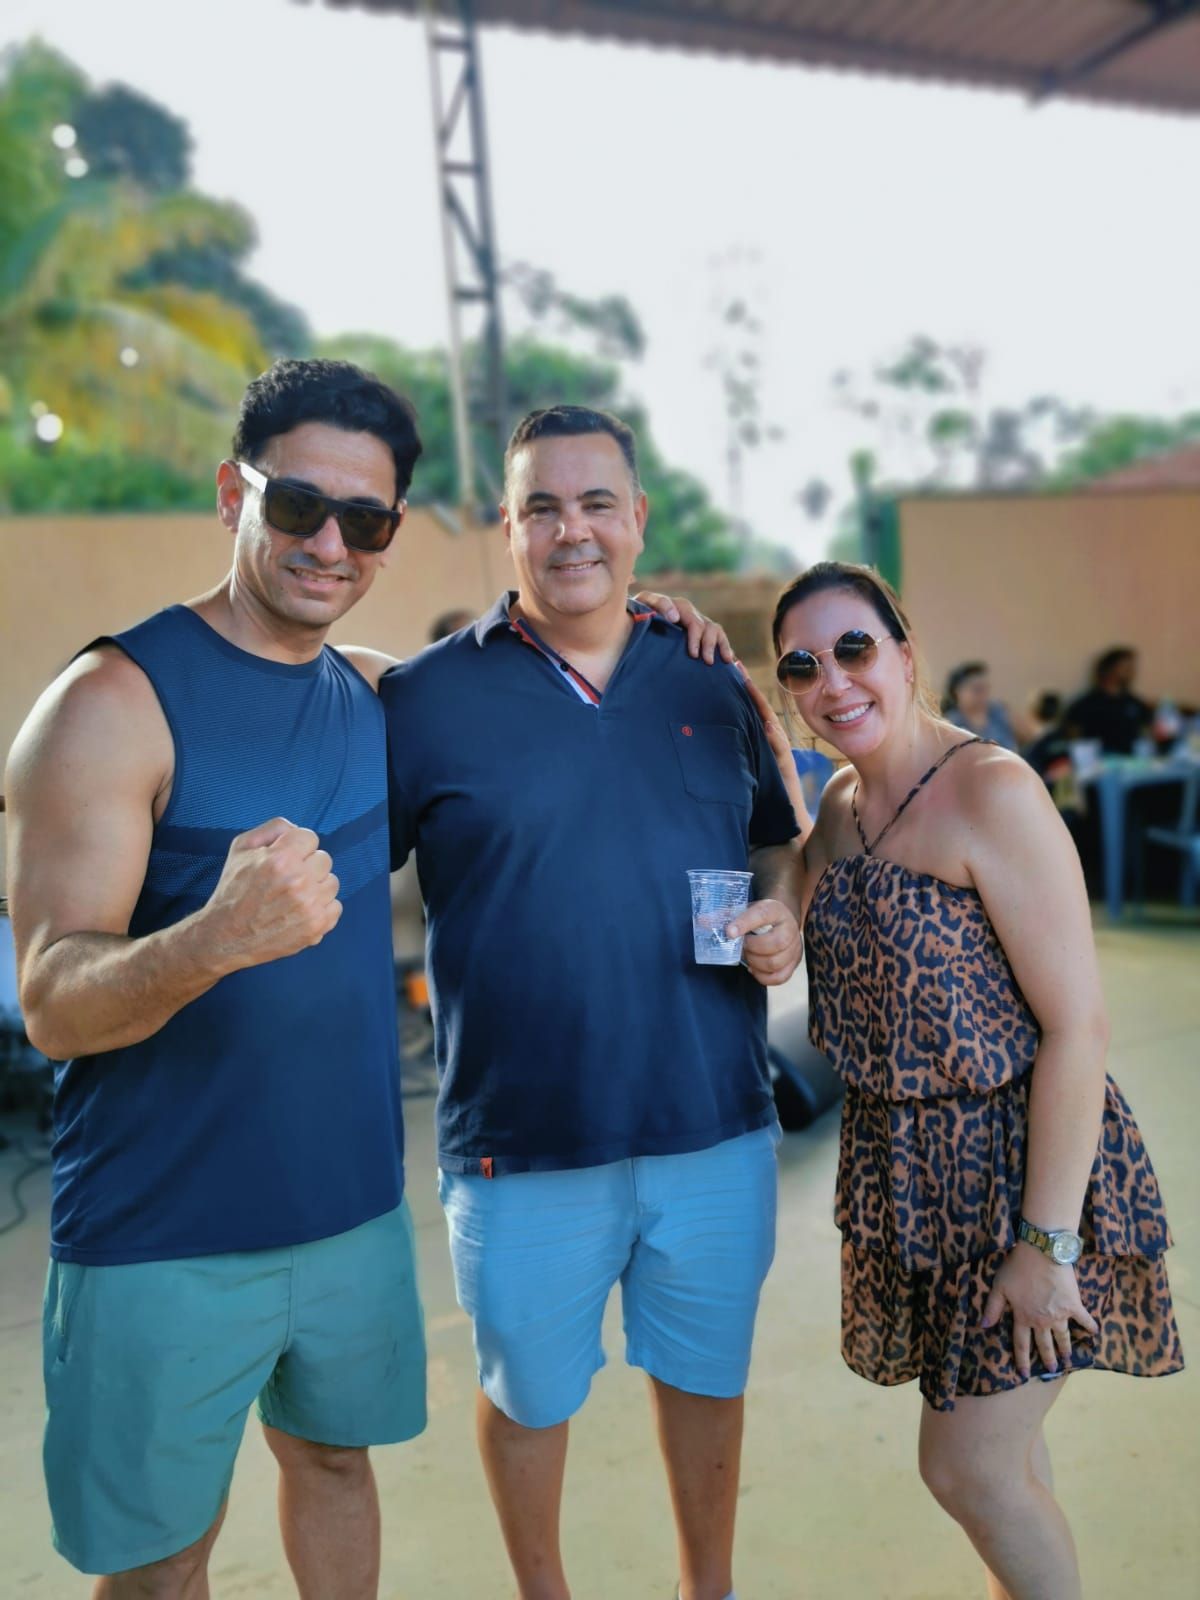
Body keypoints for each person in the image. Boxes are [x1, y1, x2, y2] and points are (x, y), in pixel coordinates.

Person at [4, 359, 730, 1597]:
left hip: (348, 1208)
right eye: (297, 505)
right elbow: (53, 1001)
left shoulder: (381, 695)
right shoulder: (111, 702)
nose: (329, 544)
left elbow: (544, 681)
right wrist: (210, 937)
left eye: (366, 520)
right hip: (158, 1232)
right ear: (232, 491)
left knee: (338, 1468)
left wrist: (644, 618)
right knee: (165, 1560)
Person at [379, 404, 805, 1600]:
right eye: (544, 507)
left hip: (712, 1122)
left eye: (598, 503)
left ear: (639, 519)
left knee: (707, 1378)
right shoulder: (425, 700)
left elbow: (777, 844)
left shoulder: (712, 679)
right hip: (521, 1142)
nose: (574, 529)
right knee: (527, 1395)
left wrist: (781, 912)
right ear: (508, 526)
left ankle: (707, 1587)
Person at [753, 561, 1182, 1600]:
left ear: (905, 655)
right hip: (914, 1189)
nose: (832, 680)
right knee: (1010, 1466)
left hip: (1019, 1174)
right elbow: (805, 880)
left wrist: (1046, 1245)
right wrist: (777, 913)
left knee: (970, 1470)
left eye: (854, 648)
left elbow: (1077, 1027)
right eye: (802, 666)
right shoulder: (843, 803)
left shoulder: (993, 790)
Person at [1063, 646, 1152, 755]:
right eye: (1126, 667)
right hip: (1098, 760)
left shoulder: (1135, 704)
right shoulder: (1085, 704)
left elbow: (1148, 732)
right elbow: (1073, 737)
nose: (1131, 671)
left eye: (1132, 667)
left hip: (1132, 760)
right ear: (1109, 668)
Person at [943, 660, 1020, 749]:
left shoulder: (998, 712)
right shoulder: (951, 724)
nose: (983, 694)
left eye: (985, 688)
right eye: (976, 689)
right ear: (957, 692)